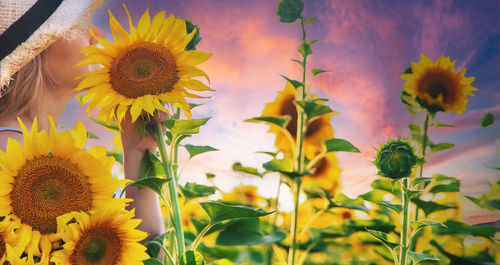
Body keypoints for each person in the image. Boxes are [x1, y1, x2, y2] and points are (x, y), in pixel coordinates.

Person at [0, 0, 164, 245]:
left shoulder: (55, 154)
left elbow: (148, 255)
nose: (96, 34)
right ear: (34, 46)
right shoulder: (9, 152)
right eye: (76, 24)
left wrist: (137, 152)